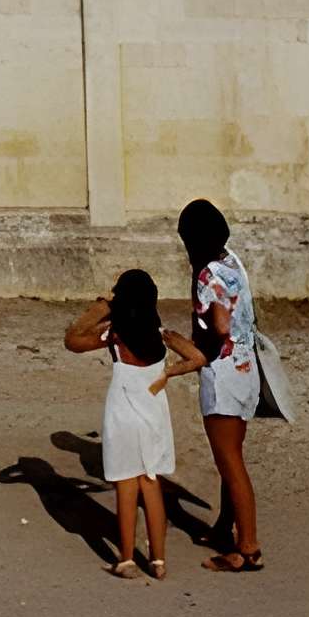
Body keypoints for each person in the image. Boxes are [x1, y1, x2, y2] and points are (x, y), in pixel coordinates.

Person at [64, 271, 205, 580]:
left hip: (121, 416)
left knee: (125, 487)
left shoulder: (114, 334)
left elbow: (72, 340)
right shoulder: (161, 334)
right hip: (153, 416)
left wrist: (101, 307)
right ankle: (158, 561)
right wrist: (168, 373)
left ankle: (126, 559)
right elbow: (197, 358)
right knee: (152, 486)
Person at [177, 197, 264, 573]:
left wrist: (196, 351)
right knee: (235, 457)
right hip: (248, 369)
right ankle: (223, 527)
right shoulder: (233, 261)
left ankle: (247, 548)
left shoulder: (206, 275)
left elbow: (221, 325)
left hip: (223, 371)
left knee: (229, 463)